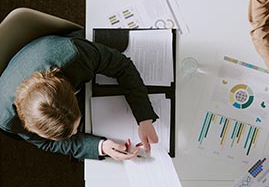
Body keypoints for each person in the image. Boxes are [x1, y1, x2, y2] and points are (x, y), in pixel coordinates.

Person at [0, 24, 159, 161]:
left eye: (74, 128)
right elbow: (46, 143)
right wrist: (101, 146)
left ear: (72, 94)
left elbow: (121, 65)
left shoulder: (75, 56)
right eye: (72, 132)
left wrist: (144, 117)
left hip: (57, 49)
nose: (76, 132)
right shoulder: (8, 122)